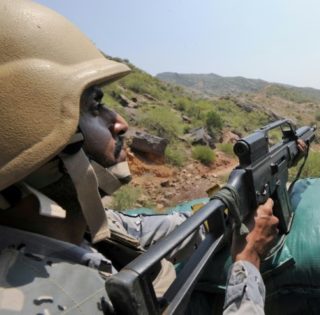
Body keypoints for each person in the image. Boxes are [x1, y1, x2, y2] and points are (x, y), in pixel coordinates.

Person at [0, 1, 279, 314]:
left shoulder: (75, 227)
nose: (120, 122)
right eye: (95, 108)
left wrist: (234, 200)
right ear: (37, 139)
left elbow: (171, 229)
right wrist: (248, 262)